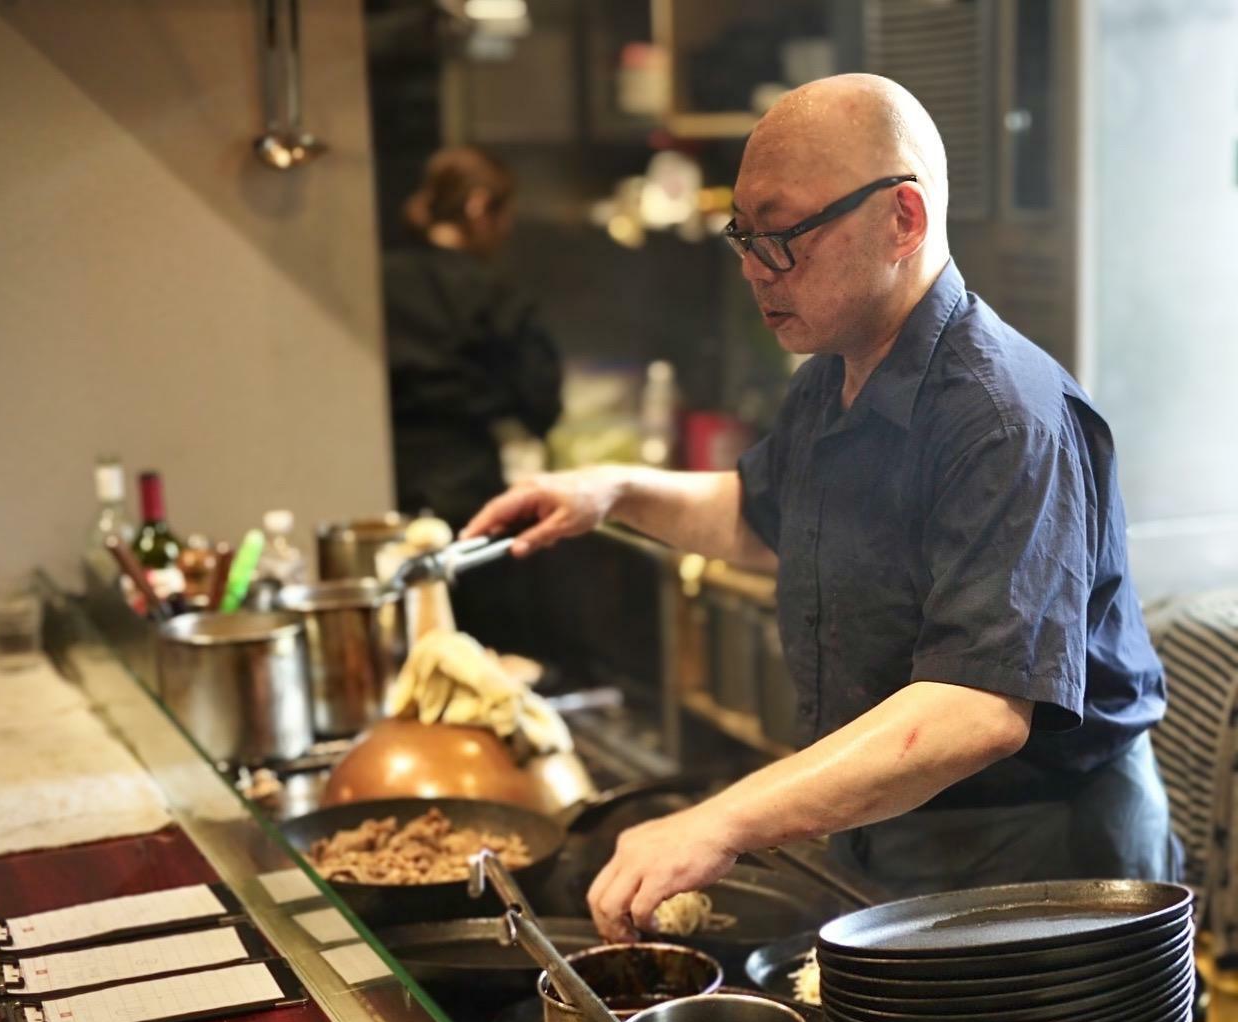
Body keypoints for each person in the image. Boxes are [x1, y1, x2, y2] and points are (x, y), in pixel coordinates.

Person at [464, 74, 1178, 943]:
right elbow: (760, 516)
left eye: (785, 235)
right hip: (903, 830)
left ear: (902, 221)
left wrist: (721, 818)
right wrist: (609, 492)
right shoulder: (833, 377)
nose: (754, 269)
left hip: (1041, 854)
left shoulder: (1001, 414)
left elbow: (975, 709)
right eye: (743, 235)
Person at [384, 146, 562, 651]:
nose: (504, 231)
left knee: (409, 649)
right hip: (471, 497)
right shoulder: (495, 290)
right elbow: (541, 399)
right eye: (504, 215)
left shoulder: (378, 281)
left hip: (388, 486)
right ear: (480, 207)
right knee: (485, 654)